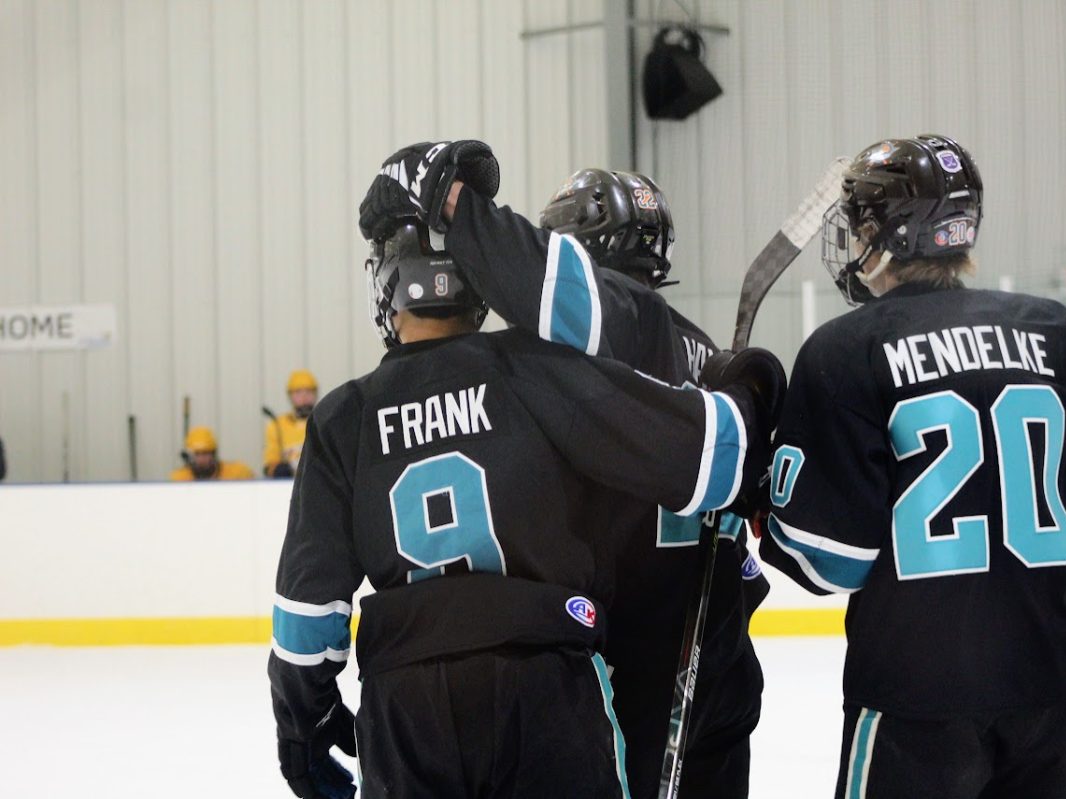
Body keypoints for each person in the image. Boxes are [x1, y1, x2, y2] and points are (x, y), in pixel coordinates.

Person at [269, 204, 785, 795]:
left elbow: (307, 619)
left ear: (388, 287)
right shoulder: (535, 368)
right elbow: (707, 462)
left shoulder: (344, 416)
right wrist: (746, 390)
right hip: (544, 678)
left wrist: (303, 722)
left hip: (406, 701)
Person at [759, 133, 1066, 798]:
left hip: (917, 704)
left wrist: (765, 494)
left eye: (861, 223)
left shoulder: (847, 350)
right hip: (1058, 698)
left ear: (884, 233)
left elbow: (825, 561)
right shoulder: (1052, 334)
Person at [264, 369, 318, 478]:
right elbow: (270, 465)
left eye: (308, 391)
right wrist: (277, 469)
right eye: (298, 392)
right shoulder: (277, 425)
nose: (304, 398)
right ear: (290, 396)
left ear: (315, 394)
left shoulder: (324, 422)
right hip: (287, 486)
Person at [170, 426, 254, 481]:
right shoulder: (180, 478)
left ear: (214, 454)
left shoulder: (237, 472)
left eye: (205, 453)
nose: (202, 459)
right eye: (197, 454)